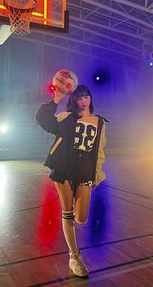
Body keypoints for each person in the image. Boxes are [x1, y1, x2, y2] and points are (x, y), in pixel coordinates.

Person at [36, 84, 107, 278]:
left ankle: (73, 243)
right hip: (63, 168)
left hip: (84, 171)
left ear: (90, 98)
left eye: (86, 97)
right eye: (78, 97)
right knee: (67, 212)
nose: (82, 100)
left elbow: (99, 152)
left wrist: (97, 175)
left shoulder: (100, 122)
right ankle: (74, 256)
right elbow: (43, 121)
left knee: (81, 218)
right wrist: (56, 99)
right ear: (74, 100)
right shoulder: (66, 117)